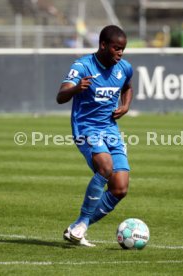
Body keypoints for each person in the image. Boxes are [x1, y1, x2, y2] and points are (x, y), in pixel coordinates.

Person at [56, 25, 133, 247]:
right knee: (105, 168)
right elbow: (60, 96)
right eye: (116, 48)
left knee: (120, 188)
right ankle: (81, 223)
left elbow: (127, 87)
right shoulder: (82, 66)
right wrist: (76, 89)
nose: (120, 53)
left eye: (123, 49)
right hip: (86, 127)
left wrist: (125, 106)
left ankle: (79, 228)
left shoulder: (124, 68)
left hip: (110, 129)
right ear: (103, 45)